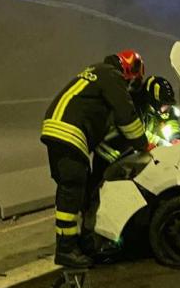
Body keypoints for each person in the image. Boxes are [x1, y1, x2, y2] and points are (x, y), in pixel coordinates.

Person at [41, 50, 149, 268]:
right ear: (130, 70)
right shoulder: (113, 77)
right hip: (69, 131)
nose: (131, 86)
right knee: (72, 190)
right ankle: (66, 249)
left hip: (56, 128)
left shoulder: (97, 72)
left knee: (74, 190)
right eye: (133, 81)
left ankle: (80, 241)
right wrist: (144, 145)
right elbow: (126, 115)